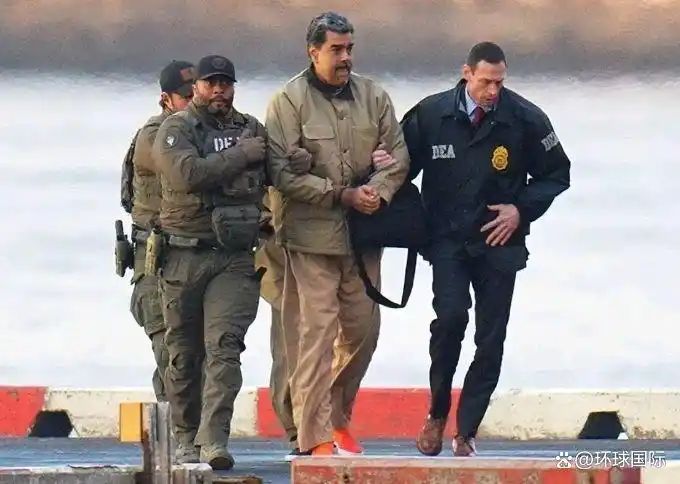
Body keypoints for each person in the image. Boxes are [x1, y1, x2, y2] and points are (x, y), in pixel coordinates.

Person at [401, 42, 571, 456]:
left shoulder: (525, 118)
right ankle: (437, 410)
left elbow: (557, 173)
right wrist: (405, 216)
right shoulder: (431, 114)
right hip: (448, 239)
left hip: (499, 242)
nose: (493, 91)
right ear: (467, 74)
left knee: (490, 337)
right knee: (450, 319)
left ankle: (466, 431)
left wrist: (521, 210)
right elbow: (399, 171)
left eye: (499, 82)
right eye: (486, 82)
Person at [266, 12, 409, 456]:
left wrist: (377, 192)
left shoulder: (374, 96)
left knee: (364, 331)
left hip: (364, 236)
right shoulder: (288, 102)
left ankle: (336, 416)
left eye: (349, 48)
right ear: (313, 52)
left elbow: (398, 156)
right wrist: (340, 194)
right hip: (311, 238)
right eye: (336, 49)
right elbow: (283, 173)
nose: (345, 57)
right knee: (316, 334)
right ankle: (314, 437)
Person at [152, 54, 267, 469]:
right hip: (183, 255)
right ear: (196, 87)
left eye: (226, 83)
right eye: (210, 83)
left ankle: (214, 439)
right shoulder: (175, 129)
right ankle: (185, 436)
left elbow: (280, 173)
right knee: (183, 354)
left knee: (225, 348)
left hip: (233, 259)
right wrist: (241, 156)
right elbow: (187, 175)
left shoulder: (251, 128)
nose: (219, 90)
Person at [120, 60, 195, 402]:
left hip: (188, 259)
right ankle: (174, 427)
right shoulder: (155, 136)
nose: (194, 102)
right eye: (186, 96)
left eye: (197, 93)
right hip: (156, 262)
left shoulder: (200, 131)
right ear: (166, 99)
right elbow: (185, 170)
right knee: (171, 356)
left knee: (195, 355)